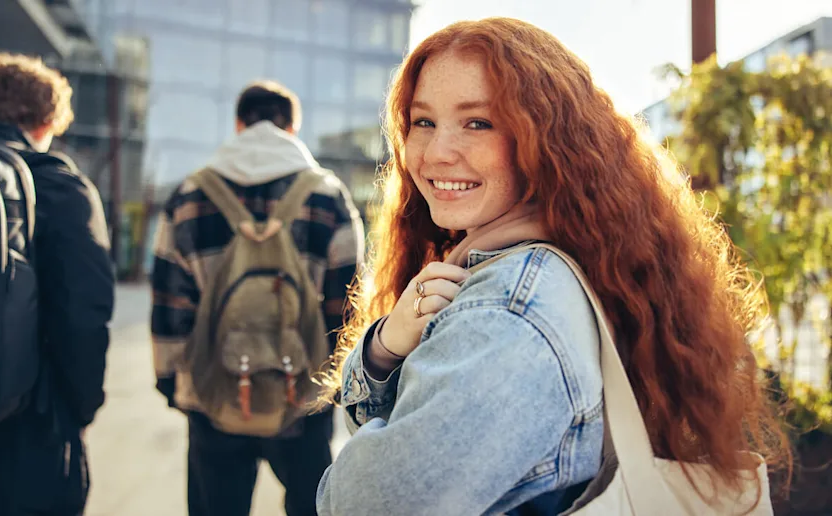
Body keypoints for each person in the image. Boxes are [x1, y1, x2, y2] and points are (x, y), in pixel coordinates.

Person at [315, 17, 789, 516]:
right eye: (423, 122)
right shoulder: (593, 259)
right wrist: (387, 346)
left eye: (478, 122)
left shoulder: (511, 307)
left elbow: (363, 504)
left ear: (545, 139)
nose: (436, 152)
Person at [150, 80, 364, 516]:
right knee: (312, 504)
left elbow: (170, 299)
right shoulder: (327, 195)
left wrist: (174, 381)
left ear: (238, 123)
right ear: (293, 126)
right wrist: (336, 385)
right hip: (301, 392)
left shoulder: (191, 194)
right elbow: (348, 304)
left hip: (213, 392)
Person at [0, 52, 115, 515]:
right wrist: (78, 410)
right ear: (47, 122)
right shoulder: (59, 188)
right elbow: (85, 315)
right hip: (30, 432)